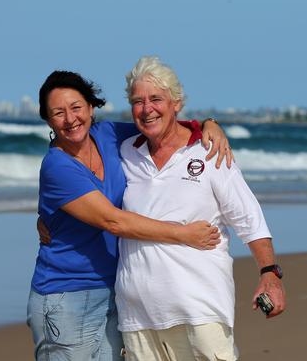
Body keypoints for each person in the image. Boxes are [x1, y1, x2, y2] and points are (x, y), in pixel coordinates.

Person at [27, 70, 234, 361]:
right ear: (48, 120)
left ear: (90, 107)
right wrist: (183, 234)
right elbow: (113, 221)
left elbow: (159, 124)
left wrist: (207, 124)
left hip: (115, 291)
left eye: (76, 107)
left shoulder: (109, 135)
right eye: (58, 113)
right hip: (66, 297)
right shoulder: (57, 167)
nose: (70, 119)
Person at [115, 56, 286, 360]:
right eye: (137, 101)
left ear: (176, 102)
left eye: (156, 99)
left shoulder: (209, 151)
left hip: (200, 308)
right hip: (137, 313)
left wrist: (269, 274)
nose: (146, 108)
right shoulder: (127, 152)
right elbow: (77, 146)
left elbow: (249, 218)